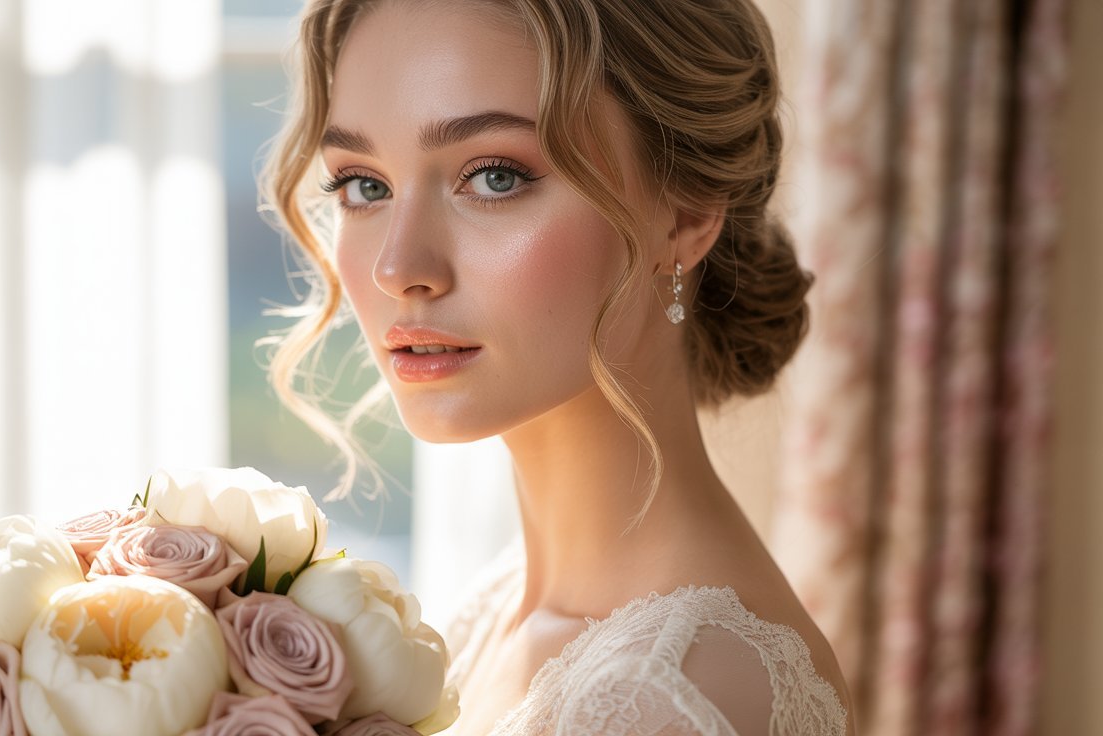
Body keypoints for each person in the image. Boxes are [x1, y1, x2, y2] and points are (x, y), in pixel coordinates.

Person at [260, 0, 856, 733]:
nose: (398, 268)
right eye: (364, 185)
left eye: (494, 178)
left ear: (688, 211)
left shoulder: (677, 692)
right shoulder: (504, 605)